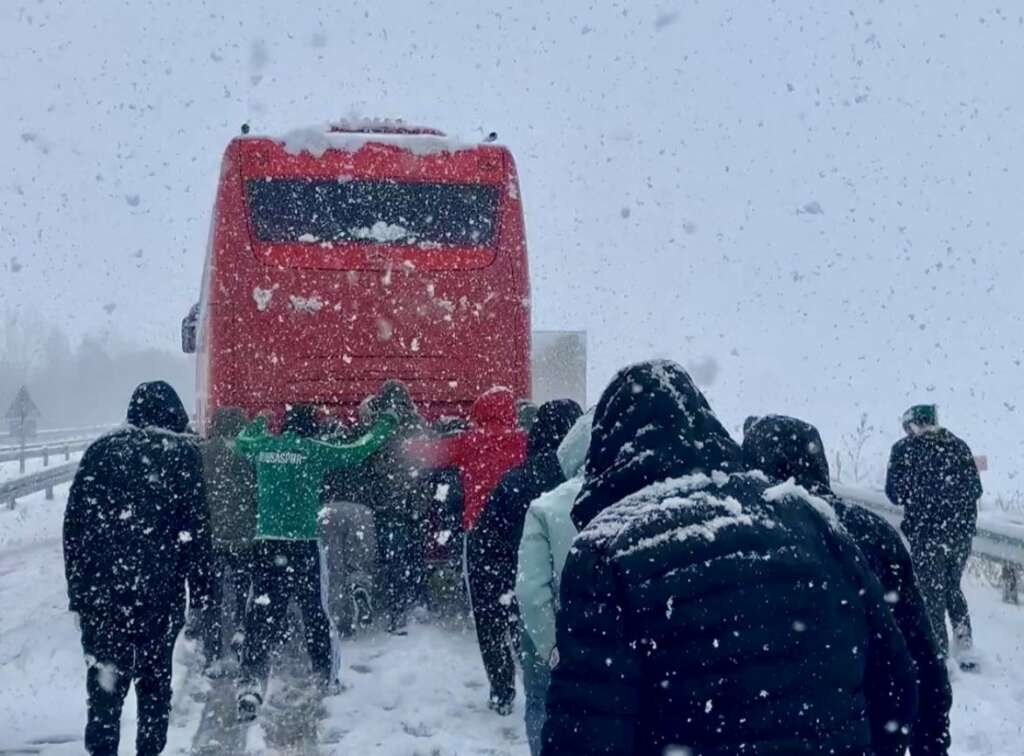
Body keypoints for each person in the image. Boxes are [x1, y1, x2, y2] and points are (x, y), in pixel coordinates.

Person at [542, 361, 917, 756]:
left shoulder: (606, 548)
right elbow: (895, 682)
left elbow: (585, 733)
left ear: (607, 447)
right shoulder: (809, 518)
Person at [743, 414, 952, 756]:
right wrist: (930, 743)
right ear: (818, 461)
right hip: (872, 731)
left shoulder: (745, 542)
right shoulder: (872, 533)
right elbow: (922, 658)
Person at [63, 381, 212, 756]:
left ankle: (102, 748)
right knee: (155, 682)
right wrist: (203, 593)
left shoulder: (99, 454)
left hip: (102, 598)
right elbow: (197, 532)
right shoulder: (181, 455)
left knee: (103, 687)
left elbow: (74, 530)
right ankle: (149, 749)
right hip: (158, 595)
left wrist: (79, 594)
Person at [233, 404, 396, 722]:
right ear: (310, 428)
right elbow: (356, 451)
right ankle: (325, 678)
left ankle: (250, 685)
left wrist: (259, 422)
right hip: (304, 545)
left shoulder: (264, 447)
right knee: (317, 614)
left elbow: (240, 442)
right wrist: (384, 426)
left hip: (267, 543)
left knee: (260, 616)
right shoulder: (314, 450)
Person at [467, 399, 582, 715]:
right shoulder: (584, 481)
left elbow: (485, 538)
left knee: (504, 636)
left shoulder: (516, 479)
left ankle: (503, 693)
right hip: (564, 586)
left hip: (506, 573)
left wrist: (491, 586)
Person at [516, 408, 593, 755]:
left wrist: (550, 649)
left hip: (552, 633)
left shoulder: (547, 507)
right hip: (604, 640)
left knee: (541, 707)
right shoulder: (632, 499)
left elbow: (531, 591)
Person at [886, 404, 983, 667]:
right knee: (952, 587)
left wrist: (919, 491)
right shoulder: (958, 445)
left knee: (932, 594)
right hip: (960, 532)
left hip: (926, 533)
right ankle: (965, 648)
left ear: (912, 425)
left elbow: (893, 493)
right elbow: (976, 490)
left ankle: (938, 656)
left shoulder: (904, 449)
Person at [361, 380, 435, 634]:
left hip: (388, 502)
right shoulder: (418, 423)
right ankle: (421, 600)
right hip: (416, 500)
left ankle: (397, 611)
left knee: (394, 558)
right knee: (416, 552)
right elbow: (428, 457)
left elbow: (367, 454)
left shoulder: (381, 426)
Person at [407, 386, 528, 532]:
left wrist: (405, 445)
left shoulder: (471, 442)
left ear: (481, 411)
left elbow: (432, 453)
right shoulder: (523, 441)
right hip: (516, 519)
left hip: (479, 519)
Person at [200, 406, 258, 677]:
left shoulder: (203, 452)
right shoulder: (249, 451)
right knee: (243, 590)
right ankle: (241, 630)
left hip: (213, 537)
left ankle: (211, 652)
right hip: (244, 535)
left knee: (212, 597)